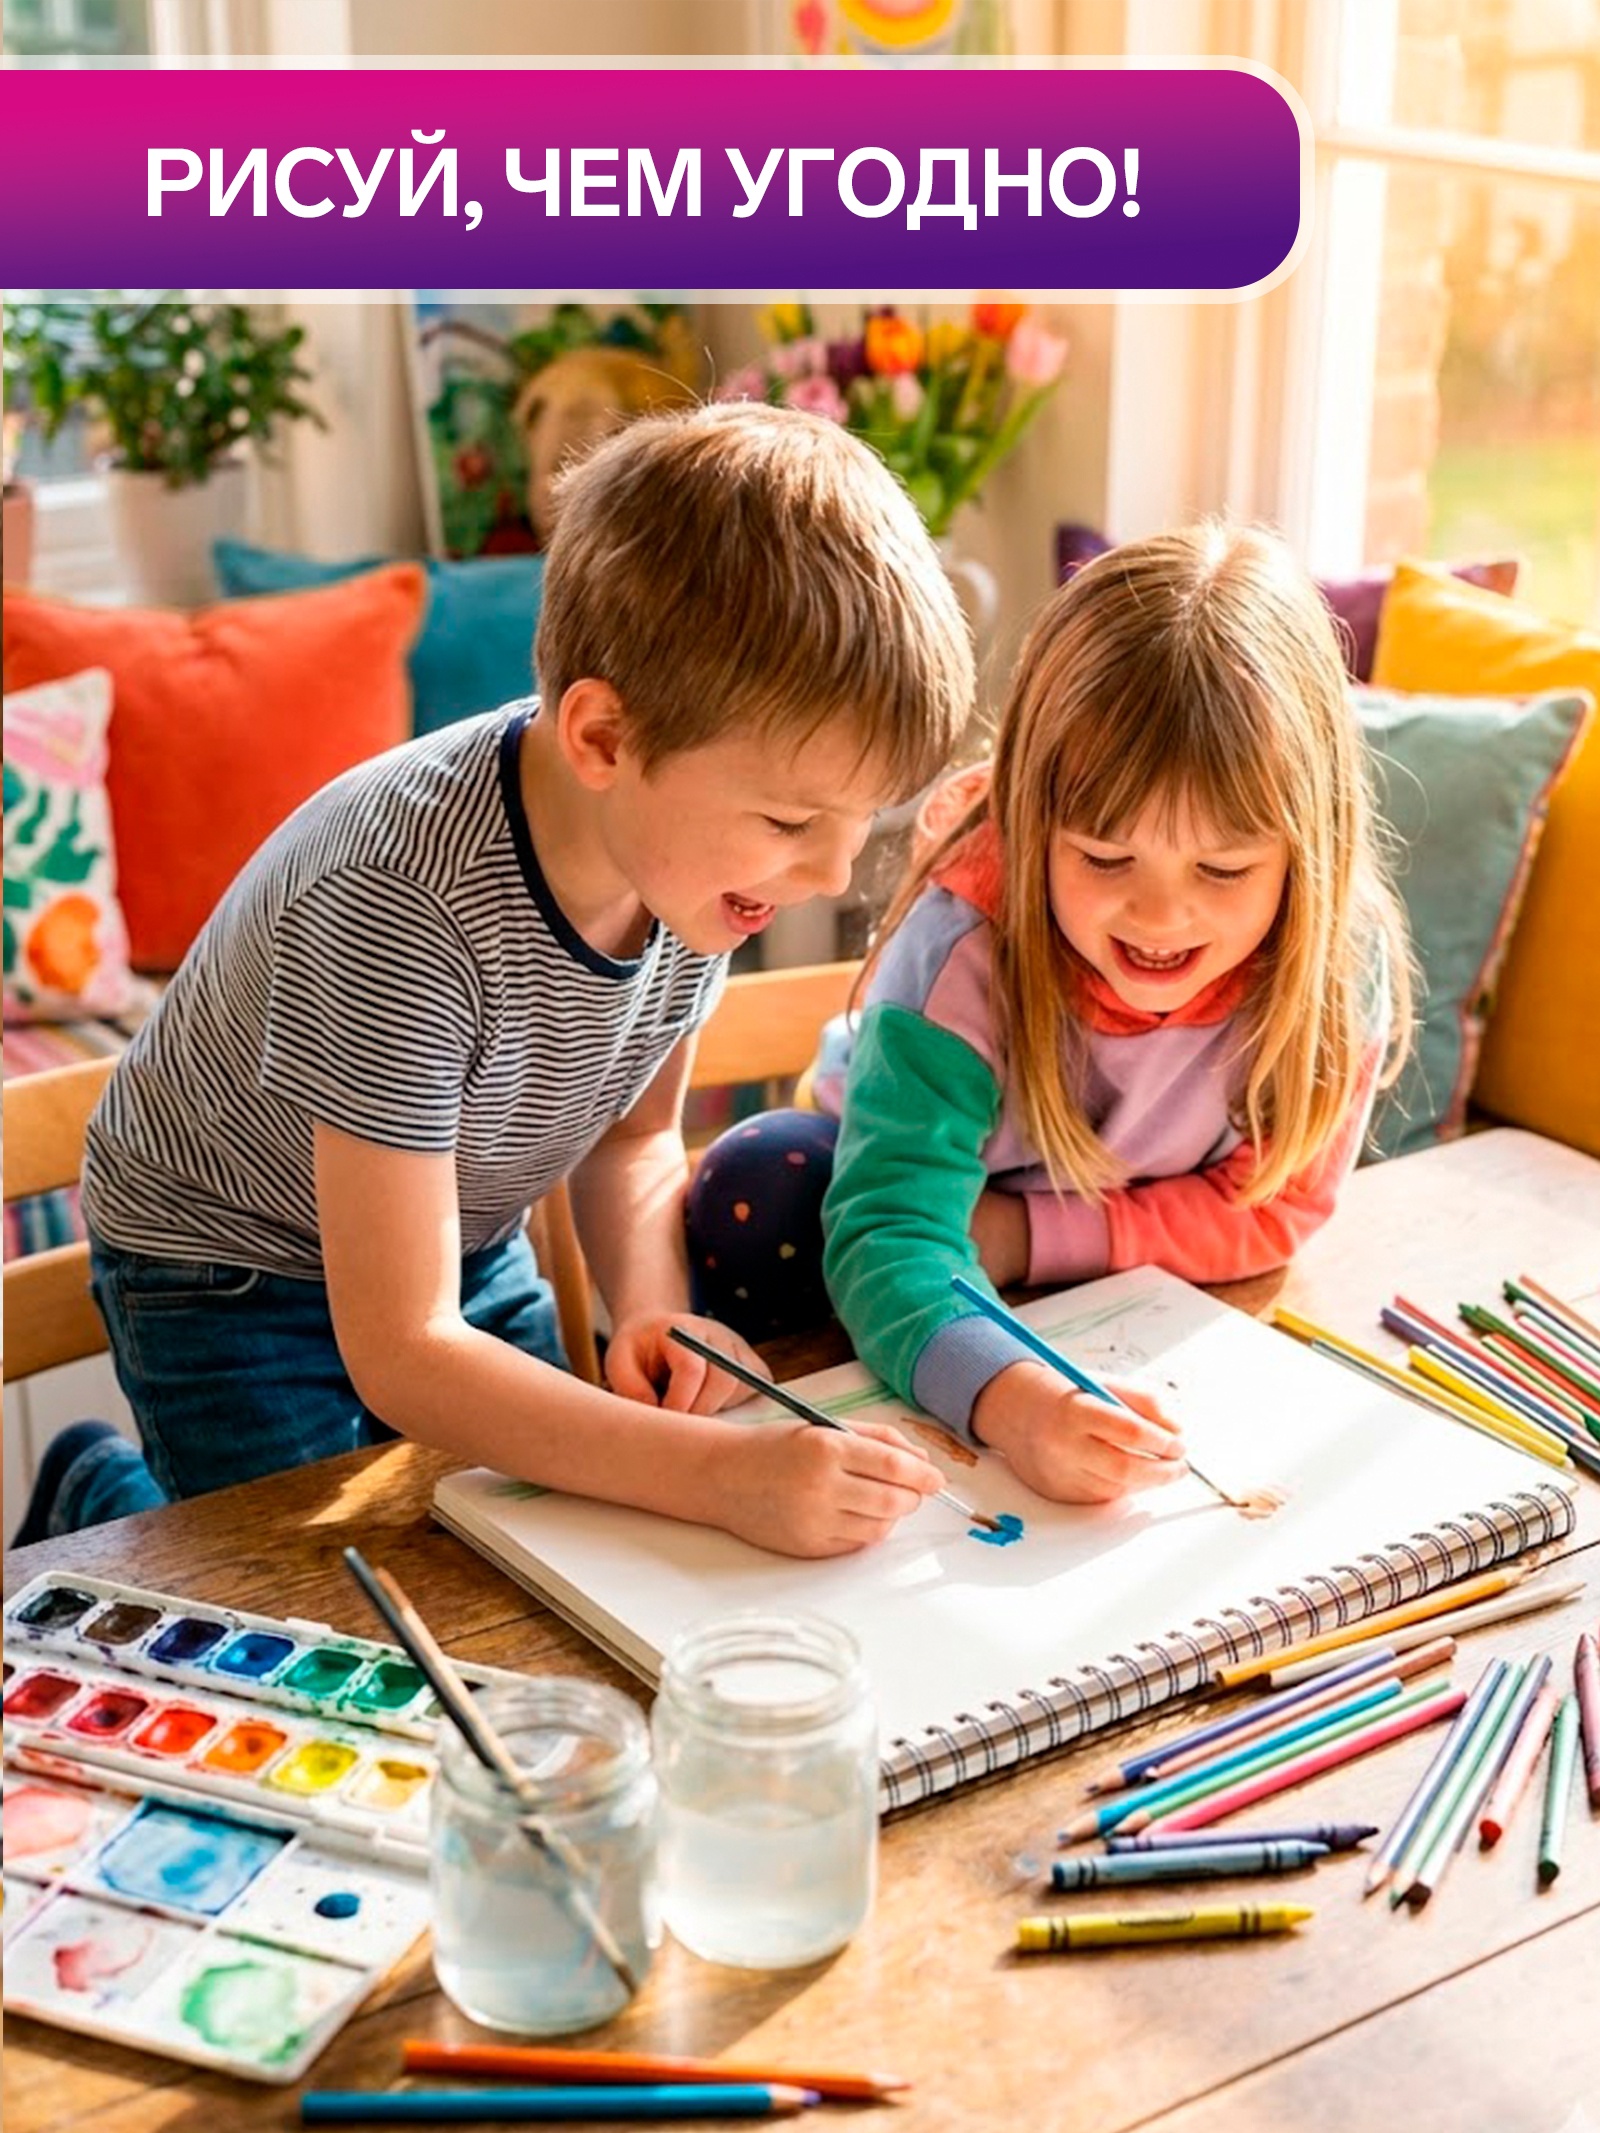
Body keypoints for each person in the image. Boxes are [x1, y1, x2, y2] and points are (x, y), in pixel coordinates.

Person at [44, 403, 974, 1561]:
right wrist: (721, 1475)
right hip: (230, 1267)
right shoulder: (399, 903)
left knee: (531, 1543)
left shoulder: (695, 866)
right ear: (601, 740)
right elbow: (406, 1352)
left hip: (453, 1233)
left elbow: (633, 1139)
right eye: (792, 821)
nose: (832, 872)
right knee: (308, 1586)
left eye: (856, 824)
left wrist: (650, 1305)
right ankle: (97, 1499)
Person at [689, 522, 1413, 1505]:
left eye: (1223, 868)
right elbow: (894, 1233)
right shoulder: (965, 954)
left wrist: (1023, 1237)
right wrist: (1017, 1404)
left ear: (1308, 851)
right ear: (1031, 824)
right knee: (762, 1187)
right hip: (905, 1197)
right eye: (1104, 859)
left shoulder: (1337, 958)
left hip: (1035, 1236)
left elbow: (1277, 1209)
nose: (1159, 916)